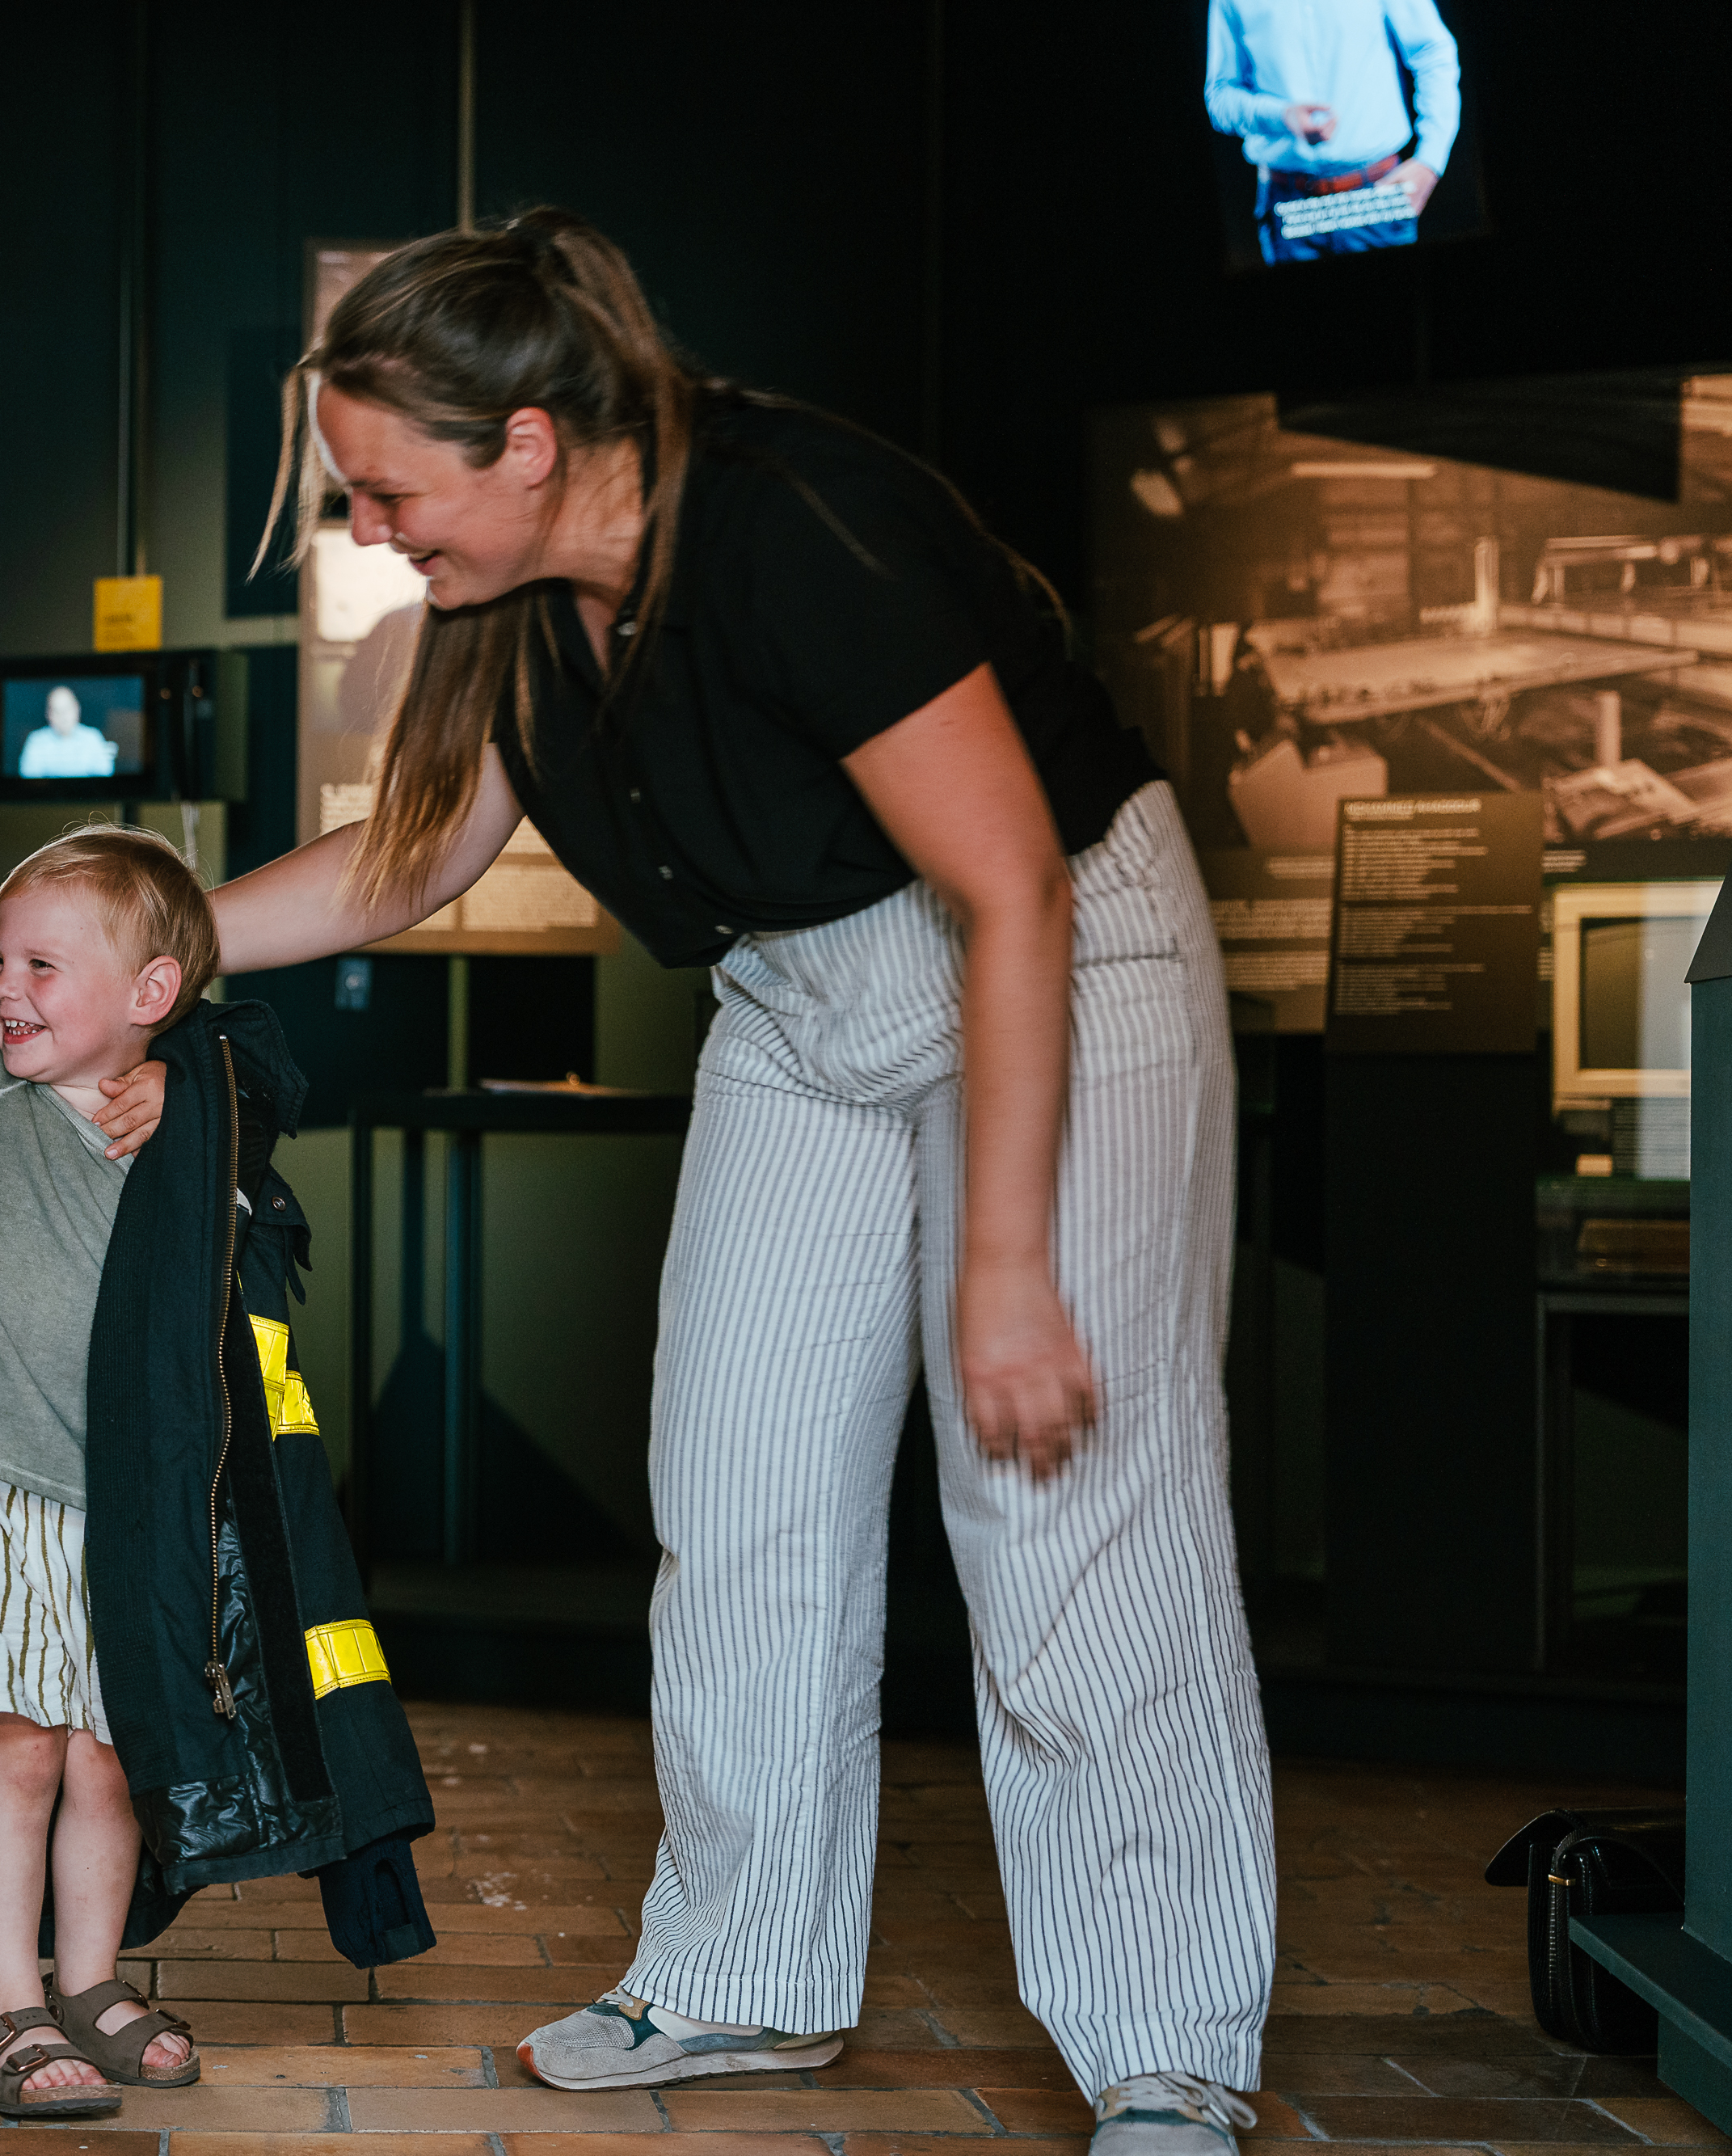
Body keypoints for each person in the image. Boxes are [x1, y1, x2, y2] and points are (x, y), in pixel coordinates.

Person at [227, 212, 1273, 2156]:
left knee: (1055, 1506)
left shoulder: (801, 524)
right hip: (800, 991)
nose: (369, 529)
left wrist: (1003, 1268)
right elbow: (402, 864)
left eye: (385, 488)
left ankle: (1163, 2044)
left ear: (525, 440)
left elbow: (1009, 887)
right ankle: (739, 1978)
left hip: (1053, 950)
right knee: (738, 1487)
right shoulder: (510, 613)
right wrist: (150, 949)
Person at [0, 827, 439, 2114]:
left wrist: (206, 1073)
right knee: (12, 1751)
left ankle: (90, 1977)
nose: (3, 982)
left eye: (42, 964)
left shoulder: (196, 1109)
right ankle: (4, 2001)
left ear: (151, 999)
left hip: (140, 1510)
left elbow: (267, 1051)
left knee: (117, 1753)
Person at [1204, 0, 1460, 264]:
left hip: (1377, 197)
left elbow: (1432, 52)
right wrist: (1282, 116)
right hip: (1290, 208)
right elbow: (1220, 97)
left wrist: (1430, 160)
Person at [18, 682, 123, 779]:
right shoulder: (36, 740)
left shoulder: (93, 737)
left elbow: (104, 775)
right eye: (56, 711)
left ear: (77, 709)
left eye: (67, 709)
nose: (63, 716)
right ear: (48, 714)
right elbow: (29, 778)